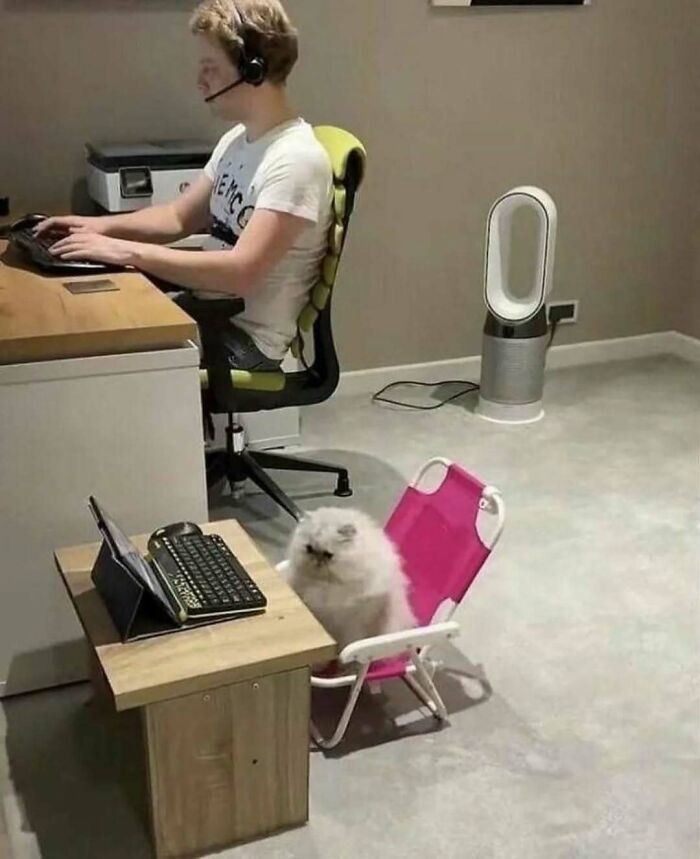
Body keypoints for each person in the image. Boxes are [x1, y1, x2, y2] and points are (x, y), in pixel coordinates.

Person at [37, 0, 333, 372]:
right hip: (208, 311)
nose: (200, 81)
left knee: (97, 352)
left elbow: (242, 272)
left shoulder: (296, 160)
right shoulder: (238, 141)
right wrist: (97, 227)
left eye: (210, 69)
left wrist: (124, 251)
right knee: (89, 314)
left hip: (244, 340)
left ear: (252, 71)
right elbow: (178, 217)